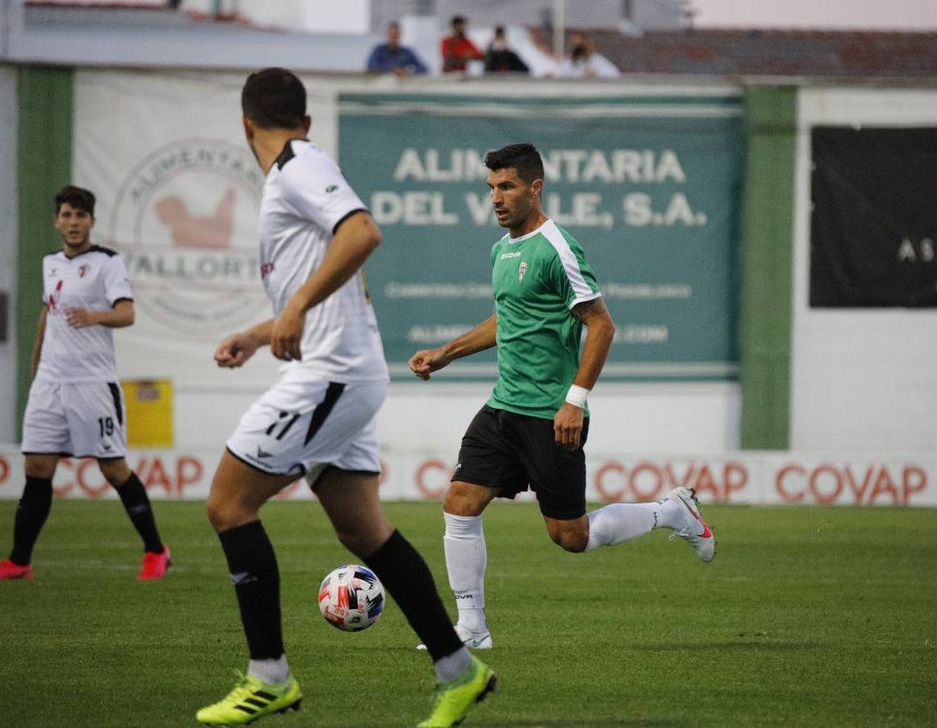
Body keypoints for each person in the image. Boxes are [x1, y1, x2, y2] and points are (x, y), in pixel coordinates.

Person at [194, 67, 494, 728]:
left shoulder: (298, 164)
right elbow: (327, 279)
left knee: (227, 505)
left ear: (247, 125)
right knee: (363, 530)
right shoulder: (297, 170)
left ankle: (268, 677)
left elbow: (362, 233)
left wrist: (296, 305)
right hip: (343, 374)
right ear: (304, 118)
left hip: (331, 376)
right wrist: (258, 332)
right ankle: (459, 670)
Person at [408, 143, 714, 650]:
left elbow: (602, 325)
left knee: (570, 537)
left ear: (535, 188)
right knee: (459, 503)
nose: (496, 199)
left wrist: (574, 399)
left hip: (550, 415)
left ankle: (671, 511)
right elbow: (510, 318)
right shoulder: (501, 249)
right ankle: (471, 629)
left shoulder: (558, 248)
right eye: (490, 189)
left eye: (506, 187)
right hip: (503, 407)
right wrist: (448, 353)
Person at [0, 185, 171, 582]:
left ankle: (155, 550)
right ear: (56, 221)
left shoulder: (107, 263)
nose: (74, 222)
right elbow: (48, 315)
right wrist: (36, 365)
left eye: (81, 216)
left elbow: (127, 313)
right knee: (37, 466)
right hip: (50, 381)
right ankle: (19, 560)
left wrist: (95, 316)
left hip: (92, 382)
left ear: (91, 221)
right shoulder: (51, 263)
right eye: (67, 215)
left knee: (113, 469)